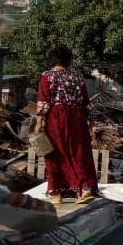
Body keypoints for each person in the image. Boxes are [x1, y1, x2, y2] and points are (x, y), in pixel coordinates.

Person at [33, 47, 98, 204]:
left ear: (52, 59)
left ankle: (56, 192)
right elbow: (86, 103)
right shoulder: (77, 77)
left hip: (57, 117)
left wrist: (39, 122)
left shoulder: (47, 76)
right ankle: (85, 189)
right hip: (78, 117)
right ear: (68, 60)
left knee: (54, 153)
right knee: (79, 152)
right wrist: (91, 122)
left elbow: (44, 101)